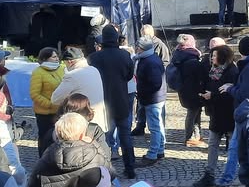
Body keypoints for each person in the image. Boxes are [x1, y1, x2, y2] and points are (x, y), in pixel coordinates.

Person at [202, 36, 249, 187]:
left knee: (242, 150)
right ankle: (224, 184)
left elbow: (245, 94)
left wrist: (230, 89)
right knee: (235, 149)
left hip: (247, 112)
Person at [88, 25, 135, 178]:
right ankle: (130, 168)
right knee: (125, 136)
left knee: (103, 138)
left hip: (102, 102)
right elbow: (129, 75)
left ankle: (105, 170)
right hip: (120, 99)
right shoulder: (124, 55)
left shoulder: (94, 57)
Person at [193, 43, 239, 187]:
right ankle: (209, 174)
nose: (212, 58)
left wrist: (212, 95)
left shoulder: (231, 71)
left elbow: (229, 95)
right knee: (213, 144)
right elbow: (211, 87)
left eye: (214, 55)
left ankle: (231, 175)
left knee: (233, 146)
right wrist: (205, 95)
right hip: (216, 114)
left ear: (222, 57)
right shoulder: (214, 70)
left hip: (229, 114)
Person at [52, 46, 109, 134]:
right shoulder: (94, 70)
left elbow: (55, 99)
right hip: (99, 120)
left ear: (70, 62)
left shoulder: (72, 75)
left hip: (82, 122)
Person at [134, 36, 166, 167]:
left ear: (142, 49)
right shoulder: (150, 58)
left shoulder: (149, 62)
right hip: (155, 98)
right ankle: (160, 150)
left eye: (138, 47)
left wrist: (142, 93)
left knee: (154, 127)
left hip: (152, 99)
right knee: (158, 125)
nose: (136, 49)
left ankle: (152, 155)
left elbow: (155, 83)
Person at [30, 47, 65, 155]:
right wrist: (50, 104)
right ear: (46, 58)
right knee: (45, 138)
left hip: (60, 111)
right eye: (54, 57)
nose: (57, 59)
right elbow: (34, 94)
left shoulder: (62, 68)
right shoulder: (38, 72)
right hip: (45, 113)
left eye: (57, 56)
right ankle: (43, 159)